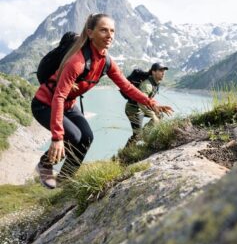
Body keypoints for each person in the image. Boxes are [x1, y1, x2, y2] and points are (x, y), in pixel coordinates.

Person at [31, 13, 173, 189]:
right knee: (73, 136)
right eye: (104, 30)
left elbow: (127, 87)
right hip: (45, 104)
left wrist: (152, 103)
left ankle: (64, 182)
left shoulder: (106, 61)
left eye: (112, 31)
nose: (110, 35)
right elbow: (58, 96)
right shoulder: (77, 61)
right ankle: (45, 164)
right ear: (90, 33)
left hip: (68, 105)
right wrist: (57, 137)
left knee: (87, 137)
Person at [124, 63, 169, 147]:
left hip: (141, 108)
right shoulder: (147, 85)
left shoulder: (155, 83)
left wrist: (158, 107)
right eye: (160, 70)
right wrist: (153, 116)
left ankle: (145, 134)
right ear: (153, 72)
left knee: (160, 115)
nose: (163, 73)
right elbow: (141, 102)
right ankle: (123, 155)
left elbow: (148, 100)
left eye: (164, 71)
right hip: (133, 110)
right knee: (137, 135)